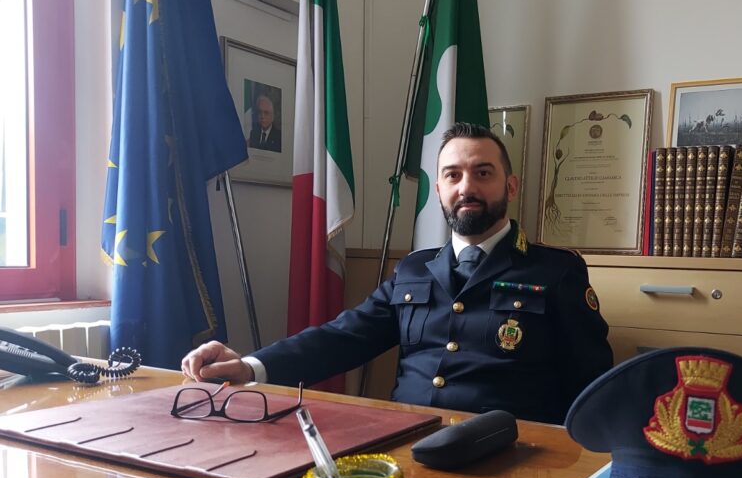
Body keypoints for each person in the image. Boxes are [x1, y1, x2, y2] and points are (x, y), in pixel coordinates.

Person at [182, 122, 613, 424]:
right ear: (439, 190)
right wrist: (250, 367)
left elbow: (592, 382)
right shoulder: (414, 269)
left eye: (483, 173)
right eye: (453, 175)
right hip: (405, 443)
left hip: (508, 456)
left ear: (511, 186)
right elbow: (343, 337)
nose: (467, 187)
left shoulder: (556, 271)